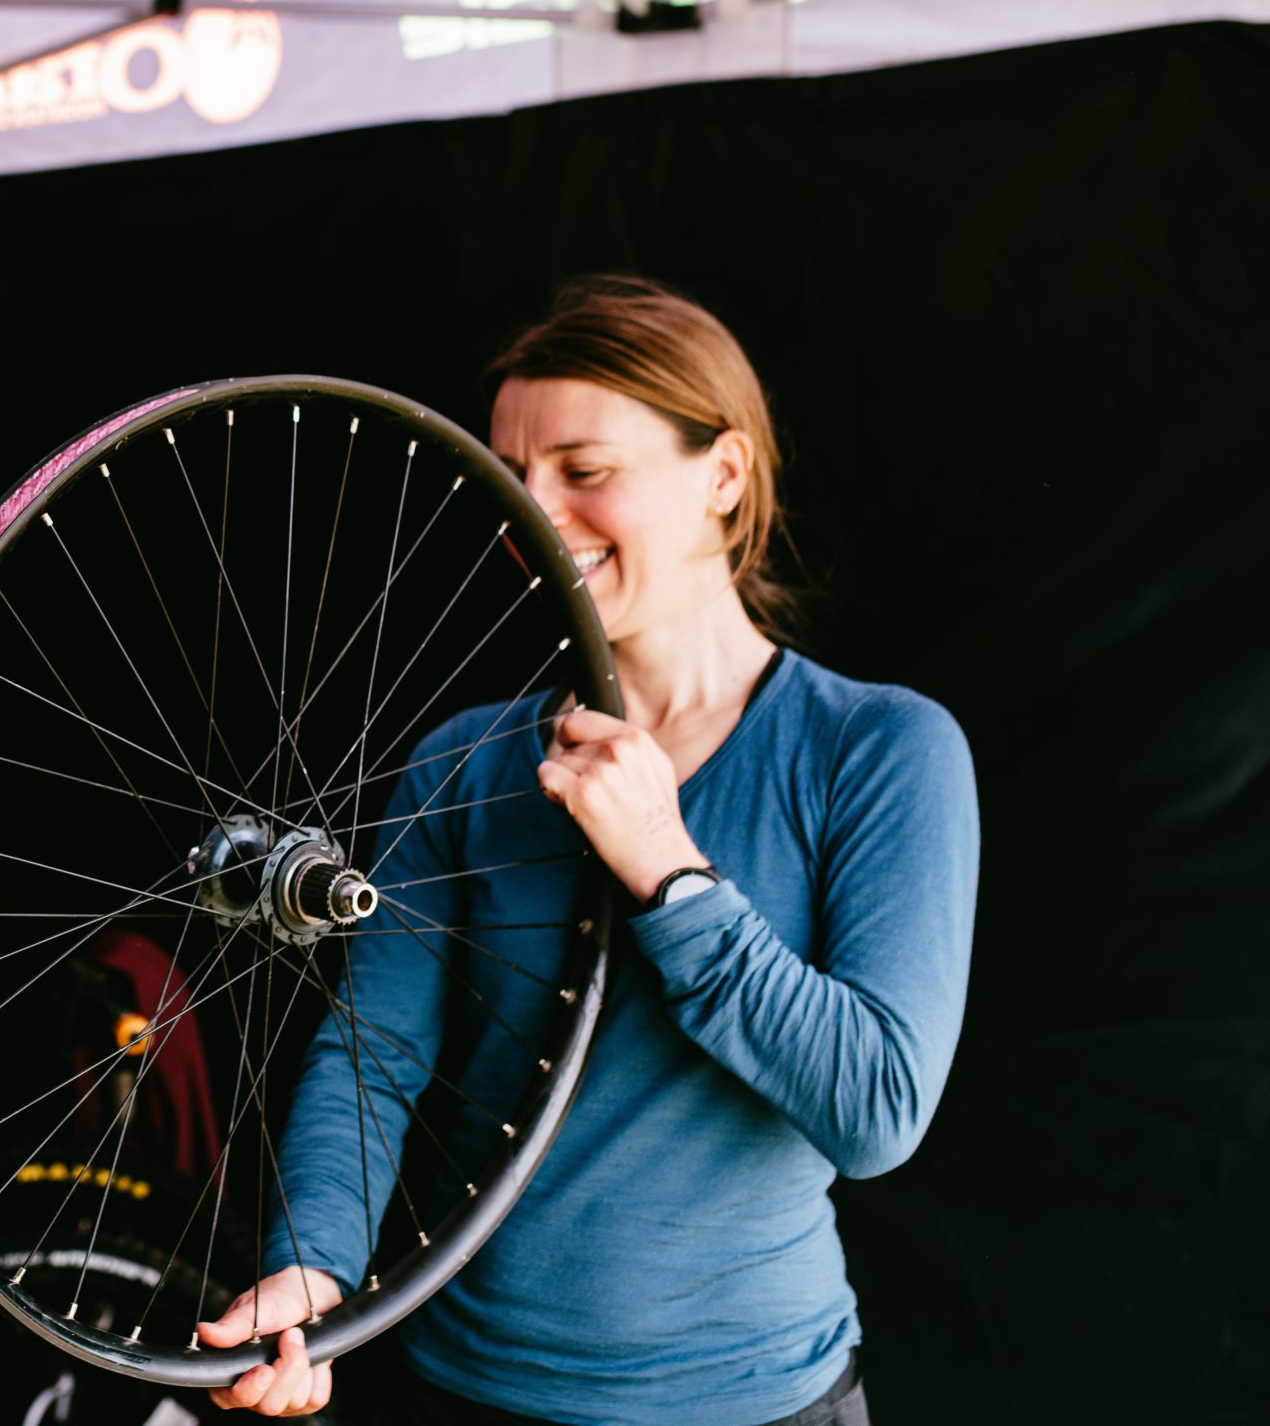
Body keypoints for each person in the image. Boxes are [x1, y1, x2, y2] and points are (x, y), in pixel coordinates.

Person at [200, 278, 979, 1425]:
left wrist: (669, 870)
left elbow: (874, 1110)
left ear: (724, 477)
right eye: (513, 478)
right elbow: (374, 1056)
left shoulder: (878, 749)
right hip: (467, 1394)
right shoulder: (463, 762)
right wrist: (313, 1267)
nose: (535, 515)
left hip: (758, 1403)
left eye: (584, 470)